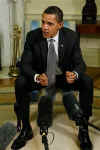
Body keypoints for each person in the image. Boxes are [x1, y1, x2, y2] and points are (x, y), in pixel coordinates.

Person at [11, 6, 93, 150]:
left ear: (60, 25)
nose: (44, 27)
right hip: (42, 77)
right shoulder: (32, 36)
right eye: (43, 22)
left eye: (50, 24)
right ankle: (26, 129)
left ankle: (83, 130)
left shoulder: (71, 37)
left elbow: (80, 64)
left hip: (63, 78)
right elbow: (25, 64)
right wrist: (36, 77)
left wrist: (74, 74)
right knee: (20, 82)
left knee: (86, 80)